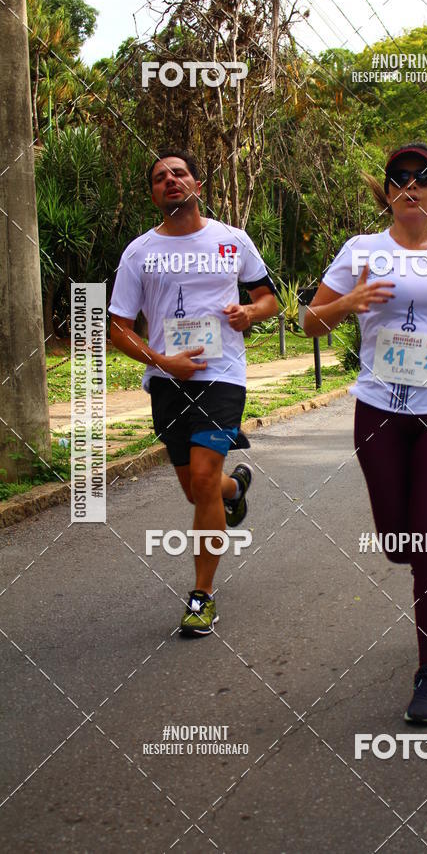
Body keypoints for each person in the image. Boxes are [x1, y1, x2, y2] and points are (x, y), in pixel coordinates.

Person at [304, 143, 427, 723]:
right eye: (399, 178)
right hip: (380, 411)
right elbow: (310, 320)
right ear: (387, 192)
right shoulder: (361, 251)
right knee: (398, 543)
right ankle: (418, 571)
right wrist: (352, 300)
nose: (411, 185)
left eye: (423, 177)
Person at [109, 149, 278, 635]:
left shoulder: (231, 240)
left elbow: (268, 299)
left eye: (179, 173)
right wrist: (163, 362)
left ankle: (202, 596)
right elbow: (118, 328)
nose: (170, 180)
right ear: (154, 194)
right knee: (196, 489)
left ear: (197, 185)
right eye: (160, 177)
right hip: (168, 381)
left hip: (223, 374)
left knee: (202, 479)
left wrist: (250, 314)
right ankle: (236, 488)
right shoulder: (139, 252)